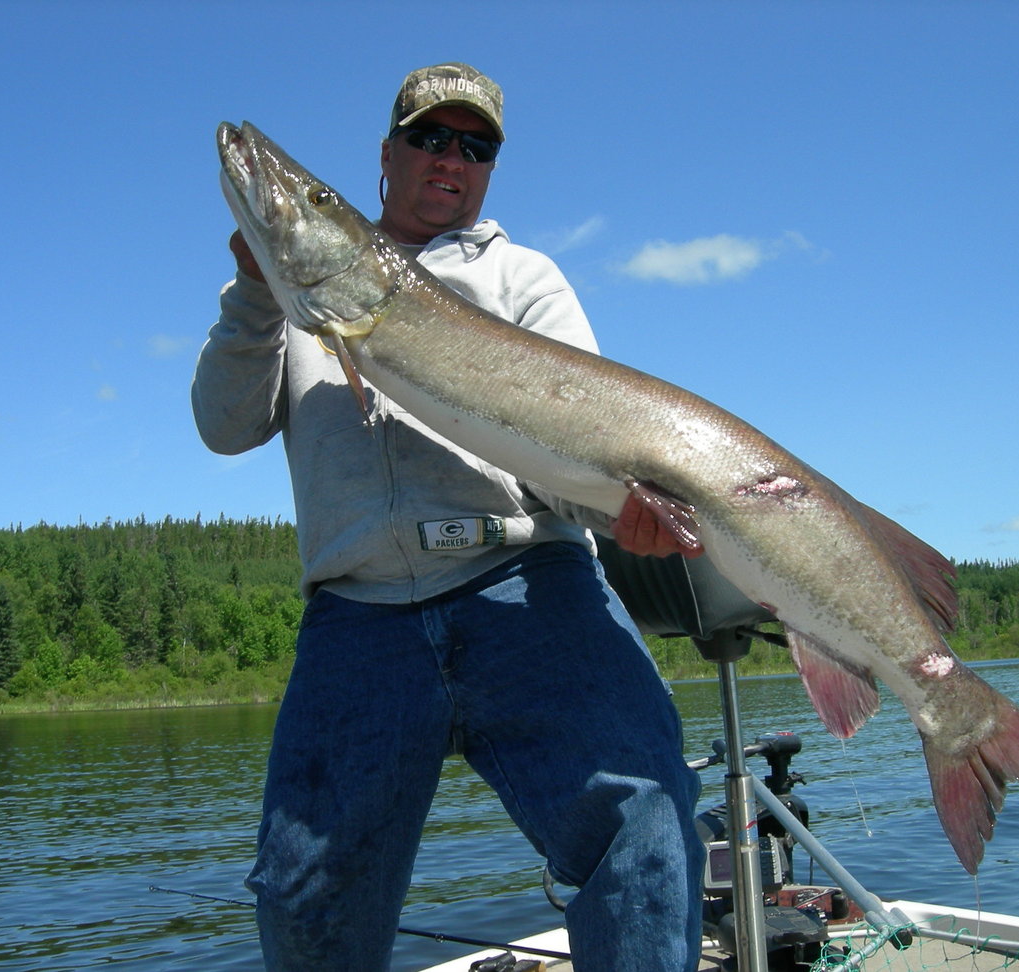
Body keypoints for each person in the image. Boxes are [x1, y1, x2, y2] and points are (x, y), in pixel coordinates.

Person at [192, 62, 705, 972]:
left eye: (475, 147)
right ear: (385, 156)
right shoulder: (300, 288)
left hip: (527, 587)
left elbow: (581, 443)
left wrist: (619, 507)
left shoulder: (523, 276)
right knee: (304, 898)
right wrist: (258, 293)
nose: (451, 159)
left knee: (645, 823)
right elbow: (224, 427)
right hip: (360, 617)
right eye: (430, 138)